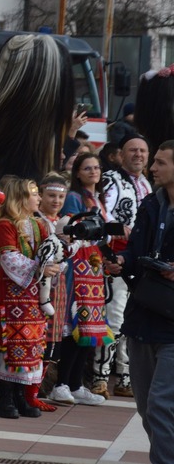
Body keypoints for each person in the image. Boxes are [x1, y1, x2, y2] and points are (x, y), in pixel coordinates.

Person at [106, 140, 174, 464]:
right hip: (142, 316)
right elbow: (134, 252)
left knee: (162, 404)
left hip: (172, 325)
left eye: (160, 162)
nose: (152, 167)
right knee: (147, 407)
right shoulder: (150, 204)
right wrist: (121, 260)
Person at [0, 177, 61, 419]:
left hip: (33, 296)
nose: (39, 198)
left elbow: (48, 252)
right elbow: (9, 260)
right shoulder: (5, 225)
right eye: (35, 194)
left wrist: (53, 263)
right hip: (11, 296)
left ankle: (21, 394)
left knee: (31, 345)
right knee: (11, 345)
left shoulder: (39, 225)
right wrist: (40, 269)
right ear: (20, 198)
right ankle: (5, 397)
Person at [50, 153, 112, 406]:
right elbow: (77, 230)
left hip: (93, 265)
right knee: (74, 319)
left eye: (97, 167)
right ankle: (62, 382)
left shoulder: (97, 198)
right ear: (77, 172)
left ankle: (76, 383)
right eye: (87, 168)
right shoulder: (75, 197)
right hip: (78, 264)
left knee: (90, 323)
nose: (93, 172)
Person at [94, 134, 151, 398]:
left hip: (140, 262)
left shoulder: (148, 185)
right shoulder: (111, 179)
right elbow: (101, 214)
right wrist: (120, 231)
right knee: (114, 318)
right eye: (133, 150)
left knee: (130, 319)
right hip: (114, 258)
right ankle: (100, 377)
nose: (138, 155)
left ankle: (125, 379)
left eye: (142, 151)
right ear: (121, 154)